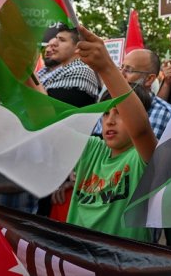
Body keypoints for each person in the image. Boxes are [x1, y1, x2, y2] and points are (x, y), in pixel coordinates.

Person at [65, 25, 158, 242]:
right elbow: (50, 125)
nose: (110, 121)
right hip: (74, 257)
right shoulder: (92, 149)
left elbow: (141, 130)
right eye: (106, 114)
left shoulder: (142, 159)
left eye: (119, 113)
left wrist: (107, 68)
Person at [93, 48, 171, 140]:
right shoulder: (109, 104)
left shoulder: (165, 114)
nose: (120, 74)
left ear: (149, 79)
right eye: (121, 68)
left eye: (129, 70)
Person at [37, 26, 101, 107]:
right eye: (56, 38)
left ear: (78, 47)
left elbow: (49, 112)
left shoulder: (81, 72)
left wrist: (29, 72)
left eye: (62, 40)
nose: (53, 43)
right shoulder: (50, 70)